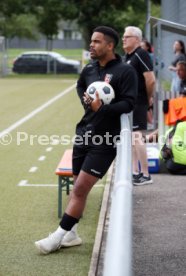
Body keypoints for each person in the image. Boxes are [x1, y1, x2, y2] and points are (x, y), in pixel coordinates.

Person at [35, 26, 137, 254]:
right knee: (76, 185)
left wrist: (103, 108)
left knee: (80, 188)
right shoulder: (89, 69)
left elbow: (129, 103)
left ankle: (58, 236)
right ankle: (72, 234)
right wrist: (86, 102)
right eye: (91, 41)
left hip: (106, 139)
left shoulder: (125, 72)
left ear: (110, 46)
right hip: (84, 132)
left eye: (97, 42)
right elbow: (81, 85)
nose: (91, 45)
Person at [122, 26, 156, 186]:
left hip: (138, 102)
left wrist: (147, 98)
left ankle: (146, 174)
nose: (123, 39)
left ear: (137, 39)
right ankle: (135, 171)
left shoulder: (141, 54)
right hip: (129, 103)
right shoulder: (127, 56)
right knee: (132, 137)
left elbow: (150, 79)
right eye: (123, 36)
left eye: (127, 36)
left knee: (137, 136)